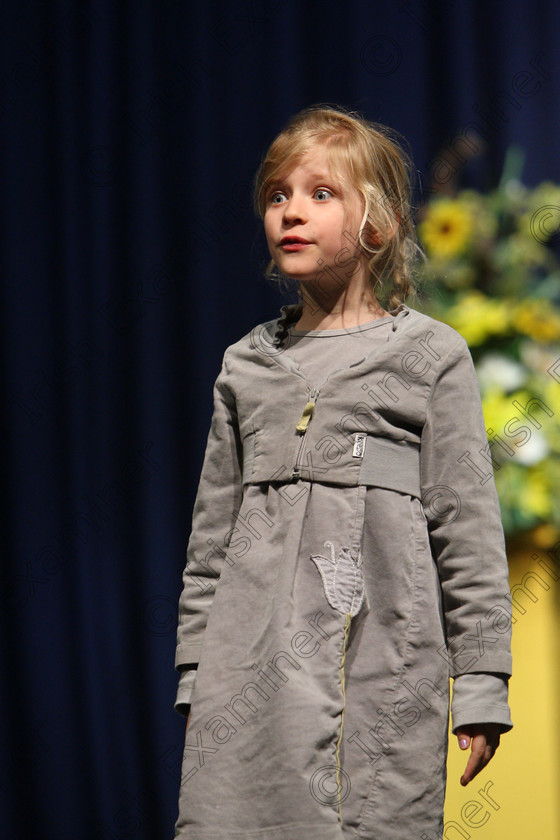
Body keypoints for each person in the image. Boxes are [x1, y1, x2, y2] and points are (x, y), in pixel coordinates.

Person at [173, 104, 513, 840]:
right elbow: (210, 543)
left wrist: (482, 684)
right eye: (277, 195)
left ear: (379, 223)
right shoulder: (247, 366)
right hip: (252, 675)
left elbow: (468, 531)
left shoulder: (432, 356)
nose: (291, 211)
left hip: (383, 663)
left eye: (321, 194)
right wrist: (197, 676)